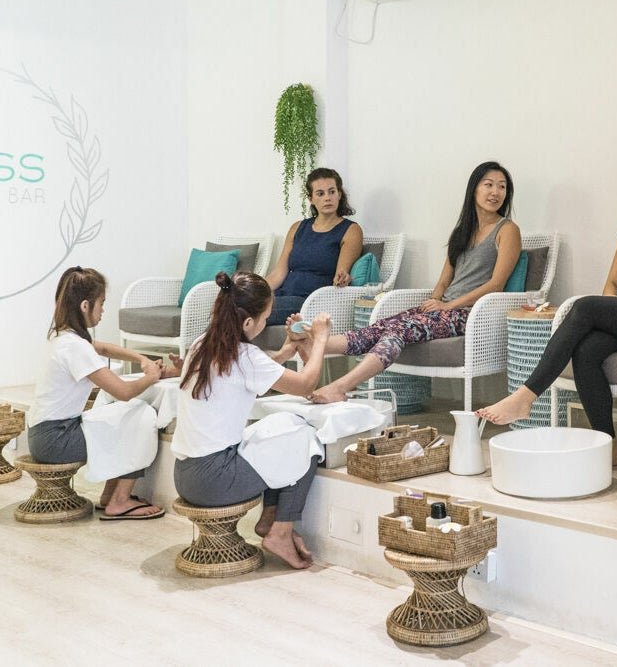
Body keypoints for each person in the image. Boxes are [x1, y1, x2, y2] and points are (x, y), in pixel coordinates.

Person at [477, 144, 617, 466]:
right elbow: (612, 285)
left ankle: (526, 396)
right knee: (586, 350)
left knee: (585, 306)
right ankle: (609, 445)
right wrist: (614, 307)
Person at [306, 161, 522, 403]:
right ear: (475, 189)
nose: (495, 192)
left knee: (399, 330)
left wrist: (448, 306)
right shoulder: (462, 231)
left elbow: (496, 284)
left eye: (501, 187)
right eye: (489, 185)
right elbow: (444, 281)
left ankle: (341, 386)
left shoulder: (508, 230)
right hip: (444, 310)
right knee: (379, 326)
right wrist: (435, 300)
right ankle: (313, 343)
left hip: (471, 314)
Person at [170, 271, 332, 569]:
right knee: (308, 439)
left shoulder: (202, 345)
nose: (265, 322)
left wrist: (287, 349)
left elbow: (250, 374)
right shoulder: (244, 355)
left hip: (185, 476)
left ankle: (268, 520)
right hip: (216, 480)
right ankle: (280, 531)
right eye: (265, 317)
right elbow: (306, 385)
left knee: (278, 426)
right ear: (247, 323)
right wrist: (320, 339)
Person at [27, 266, 166, 520]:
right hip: (57, 440)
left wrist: (141, 358)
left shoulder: (63, 337)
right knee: (141, 414)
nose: (103, 310)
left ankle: (109, 496)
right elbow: (123, 392)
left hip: (45, 435)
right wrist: (151, 377)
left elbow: (102, 348)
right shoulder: (74, 347)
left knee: (119, 414)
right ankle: (120, 500)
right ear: (84, 305)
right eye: (101, 303)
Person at [265, 168, 364, 325]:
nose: (327, 198)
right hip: (282, 295)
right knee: (235, 303)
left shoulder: (351, 230)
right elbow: (278, 274)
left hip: (310, 301)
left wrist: (342, 277)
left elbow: (340, 275)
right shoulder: (297, 227)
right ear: (311, 198)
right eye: (320, 193)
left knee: (244, 312)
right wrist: (252, 290)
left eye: (332, 192)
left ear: (339, 194)